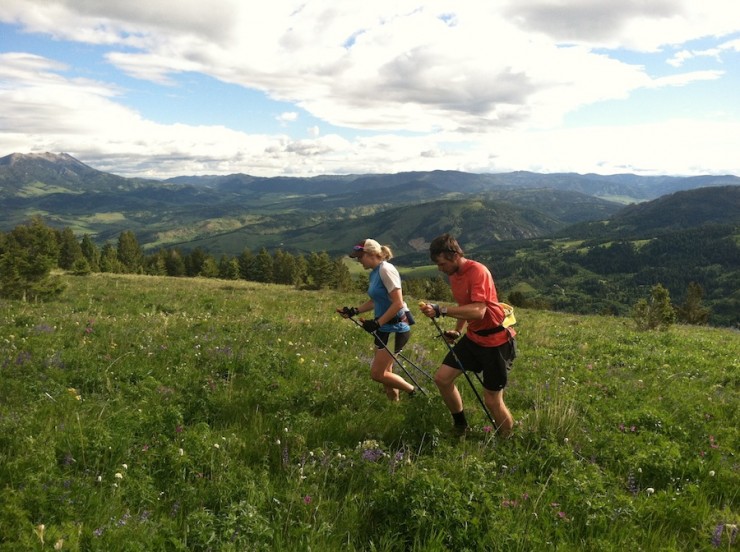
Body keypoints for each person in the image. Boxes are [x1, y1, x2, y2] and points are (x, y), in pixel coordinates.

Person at [419, 233, 516, 437]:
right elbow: (466, 306)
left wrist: (441, 310)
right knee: (442, 379)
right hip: (474, 337)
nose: (440, 269)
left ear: (453, 256)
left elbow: (479, 311)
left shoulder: (478, 271)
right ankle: (460, 426)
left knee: (492, 399)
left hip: (495, 342)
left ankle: (508, 439)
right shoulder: (454, 275)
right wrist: (457, 330)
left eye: (442, 263)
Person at [337, 238, 417, 401]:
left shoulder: (386, 270)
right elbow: (376, 300)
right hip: (384, 329)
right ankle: (393, 407)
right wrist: (354, 311)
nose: (359, 261)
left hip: (396, 328)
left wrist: (377, 322)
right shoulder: (375, 272)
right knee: (386, 373)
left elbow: (398, 302)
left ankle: (414, 392)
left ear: (371, 254)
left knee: (377, 374)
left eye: (360, 257)